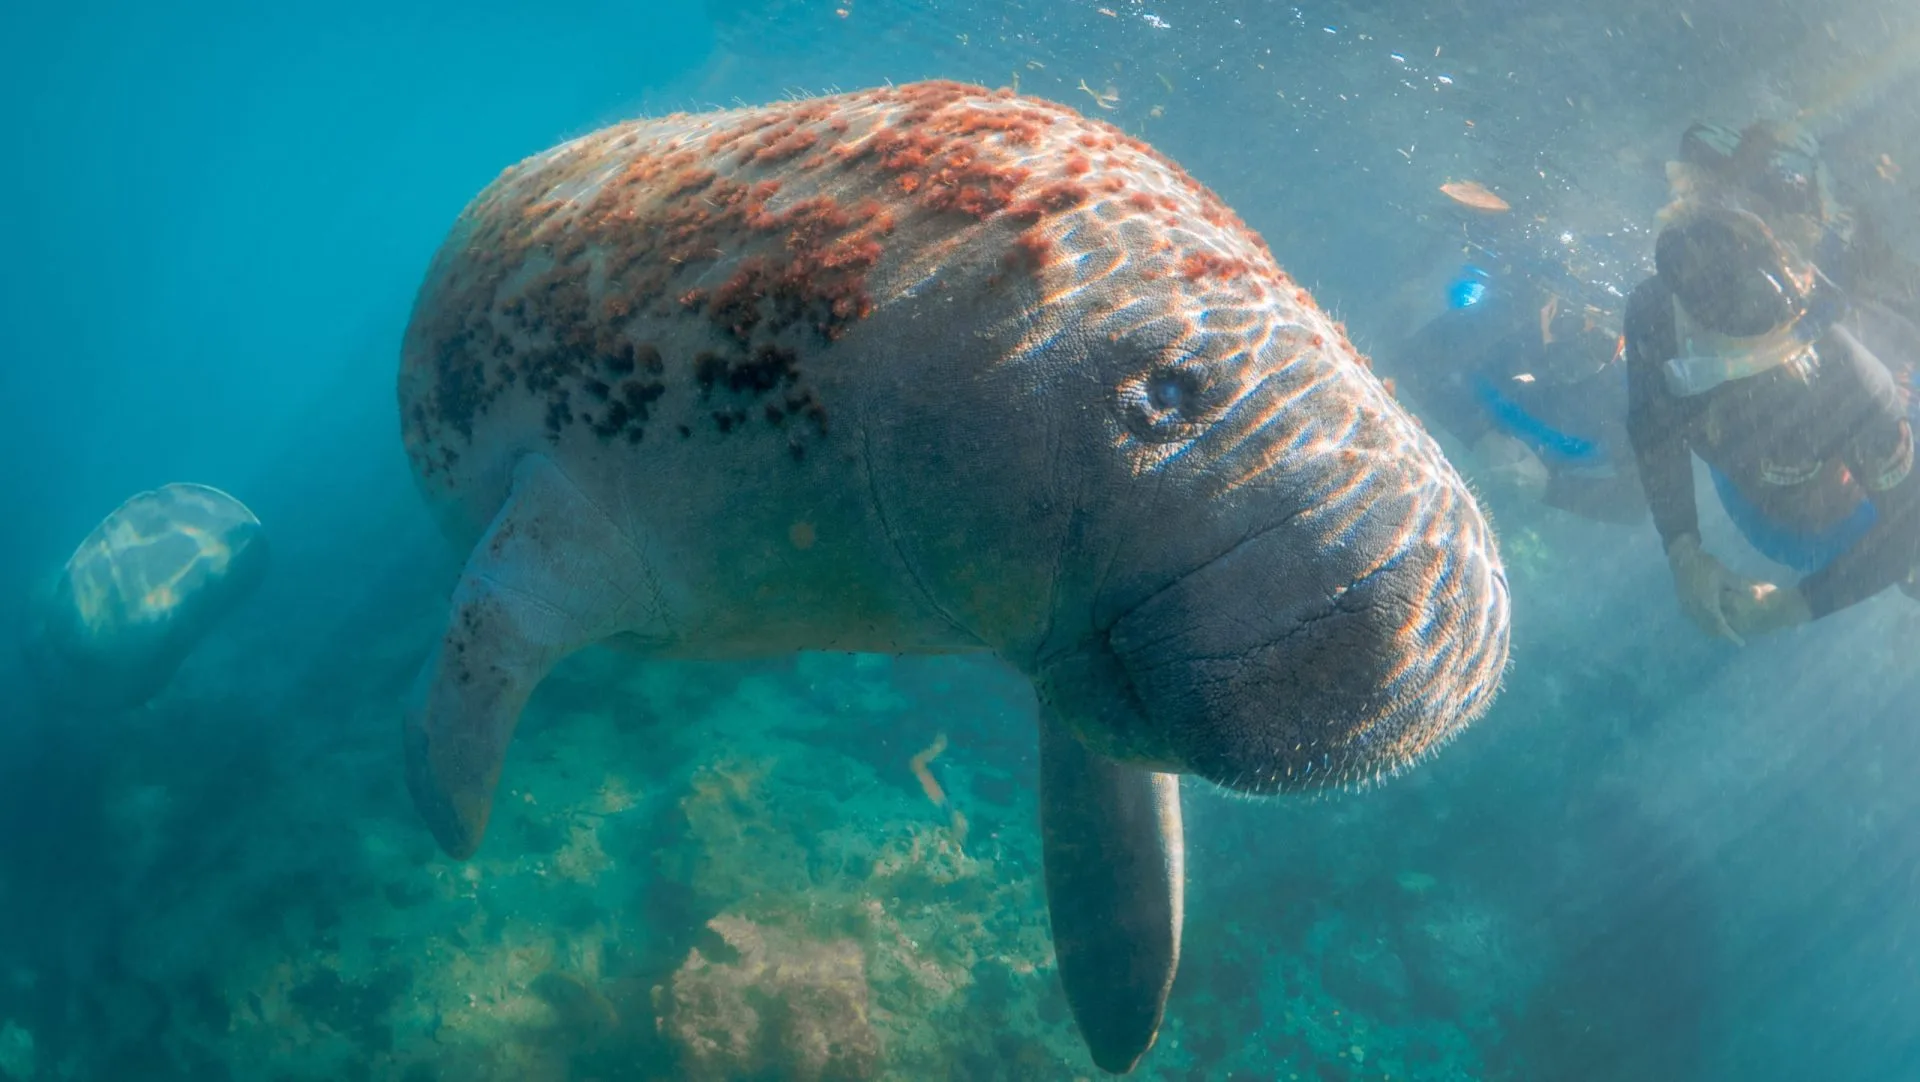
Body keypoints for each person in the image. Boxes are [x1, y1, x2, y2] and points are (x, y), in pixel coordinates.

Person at [1624, 199, 1920, 643]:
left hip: (1840, 518)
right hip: (1761, 504)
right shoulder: (1654, 314)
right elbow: (1652, 430)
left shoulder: (1850, 380)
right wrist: (1683, 549)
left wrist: (1788, 607)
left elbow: (1907, 535)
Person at [1385, 269, 1648, 525]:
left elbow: (1636, 502)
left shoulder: (1621, 399)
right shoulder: (1505, 321)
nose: (1576, 350)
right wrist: (1478, 435)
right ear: (1546, 309)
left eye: (1602, 341)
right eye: (1567, 324)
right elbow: (1410, 360)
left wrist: (1548, 487)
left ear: (1621, 347)